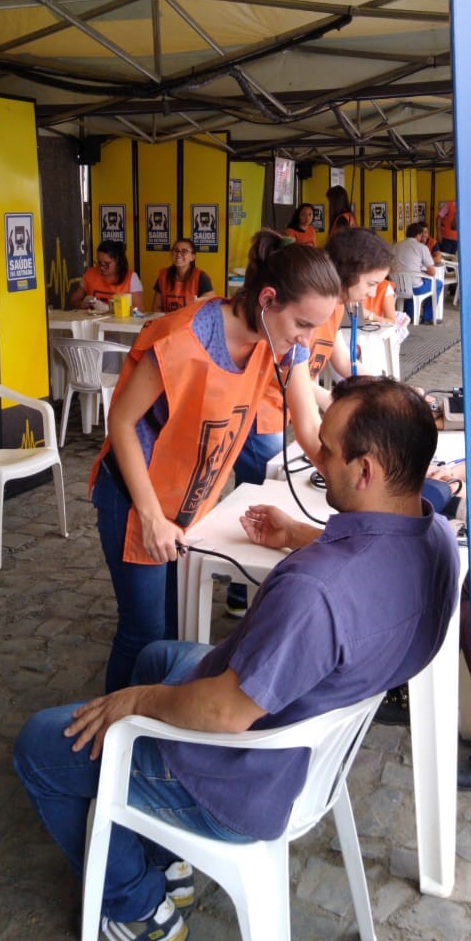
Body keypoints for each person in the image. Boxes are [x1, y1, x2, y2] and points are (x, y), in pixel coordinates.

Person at [14, 377, 459, 941]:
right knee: (156, 657)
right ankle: (160, 851)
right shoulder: (437, 537)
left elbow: (224, 713)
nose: (316, 459)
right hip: (310, 727)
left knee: (40, 746)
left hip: (238, 773)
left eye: (327, 450)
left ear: (368, 469)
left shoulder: (318, 593)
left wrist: (136, 704)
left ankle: (140, 909)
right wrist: (299, 535)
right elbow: (364, 563)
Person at [88, 230, 341, 691]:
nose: (306, 340)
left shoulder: (283, 342)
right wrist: (149, 518)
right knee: (142, 631)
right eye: (302, 324)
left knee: (171, 626)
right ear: (267, 299)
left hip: (186, 499)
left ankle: (151, 725)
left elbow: (307, 427)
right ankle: (110, 742)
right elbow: (121, 424)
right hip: (135, 497)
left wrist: (350, 481)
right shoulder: (180, 337)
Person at [224, 227, 393, 617]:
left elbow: (335, 365)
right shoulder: (310, 304)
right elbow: (304, 384)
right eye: (370, 283)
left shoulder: (327, 309)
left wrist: (383, 392)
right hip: (264, 412)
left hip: (291, 412)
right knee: (256, 501)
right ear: (352, 271)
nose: (371, 292)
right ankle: (242, 587)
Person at [392, 222, 443, 325]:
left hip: (398, 287)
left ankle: (410, 315)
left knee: (411, 285)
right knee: (437, 284)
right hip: (415, 288)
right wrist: (421, 271)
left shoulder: (396, 246)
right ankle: (427, 318)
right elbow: (432, 272)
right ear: (418, 235)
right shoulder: (421, 248)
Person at [70, 241, 144, 311]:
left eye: (106, 264)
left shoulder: (131, 278)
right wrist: (82, 304)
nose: (102, 267)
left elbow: (139, 309)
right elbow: (74, 301)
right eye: (99, 263)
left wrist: (109, 309)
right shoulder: (90, 274)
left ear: (117, 261)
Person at [151, 239, 213, 313]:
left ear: (192, 257)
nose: (179, 254)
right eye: (176, 250)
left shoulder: (201, 277)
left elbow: (211, 307)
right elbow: (156, 307)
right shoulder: (163, 276)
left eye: (184, 251)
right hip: (168, 322)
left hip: (191, 323)